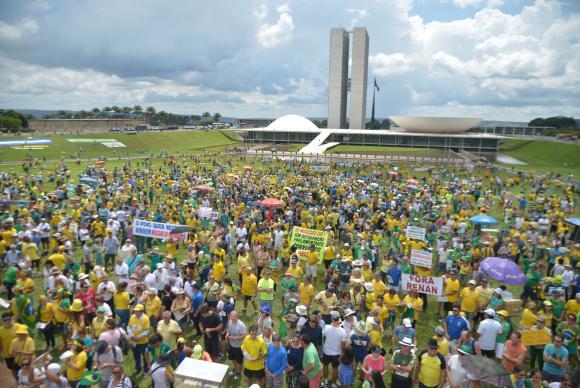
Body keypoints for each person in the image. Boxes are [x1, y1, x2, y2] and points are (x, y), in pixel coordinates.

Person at [322, 311, 347, 387]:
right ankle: (333, 383)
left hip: (326, 351)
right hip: (337, 353)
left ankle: (325, 381)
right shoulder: (343, 331)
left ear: (331, 319)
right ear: (338, 319)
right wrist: (342, 353)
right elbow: (343, 345)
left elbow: (323, 336)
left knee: (325, 365)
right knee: (335, 368)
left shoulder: (326, 327)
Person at [127, 304, 150, 374]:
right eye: (135, 311)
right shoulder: (132, 317)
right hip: (134, 342)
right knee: (136, 356)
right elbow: (128, 327)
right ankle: (138, 368)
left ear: (141, 311)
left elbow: (147, 331)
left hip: (143, 342)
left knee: (145, 357)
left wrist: (138, 337)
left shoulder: (146, 318)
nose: (135, 312)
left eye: (137, 311)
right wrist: (131, 335)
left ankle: (146, 370)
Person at [226, 310, 247, 380]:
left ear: (237, 316)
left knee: (240, 361)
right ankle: (235, 368)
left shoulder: (241, 325)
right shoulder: (229, 322)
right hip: (231, 344)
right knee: (232, 358)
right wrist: (227, 334)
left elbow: (244, 335)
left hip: (239, 346)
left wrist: (235, 338)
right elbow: (228, 330)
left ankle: (239, 372)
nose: (232, 318)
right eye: (231, 316)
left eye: (234, 317)